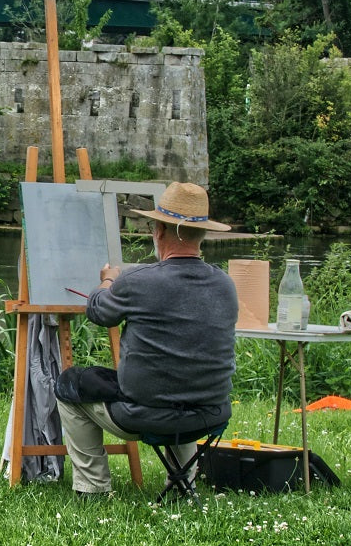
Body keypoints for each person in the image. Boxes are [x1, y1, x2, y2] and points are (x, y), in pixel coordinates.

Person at [55, 182, 239, 498]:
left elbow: (99, 312)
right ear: (202, 234)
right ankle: (184, 485)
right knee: (181, 382)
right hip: (210, 413)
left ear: (158, 231)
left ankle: (92, 488)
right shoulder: (225, 284)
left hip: (144, 415)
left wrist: (107, 280)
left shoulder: (138, 280)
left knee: (69, 385)